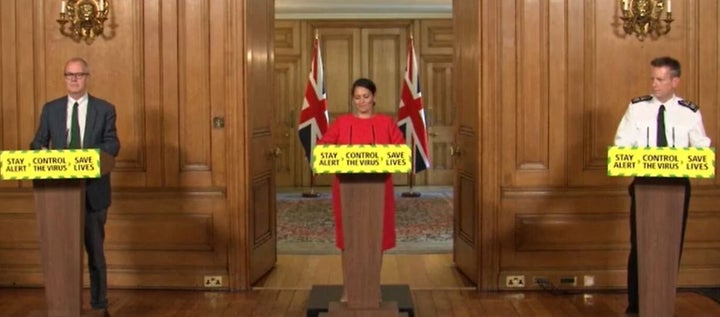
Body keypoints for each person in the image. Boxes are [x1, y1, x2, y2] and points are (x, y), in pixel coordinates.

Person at [614, 56, 711, 314]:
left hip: (677, 187)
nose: (654, 84)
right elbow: (622, 144)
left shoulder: (689, 112)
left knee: (671, 246)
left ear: (674, 81)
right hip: (644, 184)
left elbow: (702, 147)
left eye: (660, 79)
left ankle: (663, 305)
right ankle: (636, 306)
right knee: (640, 246)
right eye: (652, 79)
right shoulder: (636, 108)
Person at [30, 57, 120, 313]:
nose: (73, 79)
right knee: (61, 256)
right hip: (59, 195)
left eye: (78, 75)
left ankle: (99, 306)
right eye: (69, 75)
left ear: (87, 77)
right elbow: (37, 143)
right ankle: (63, 306)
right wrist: (42, 154)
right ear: (64, 78)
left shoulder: (104, 109)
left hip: (93, 194)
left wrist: (85, 160)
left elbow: (112, 145)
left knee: (95, 254)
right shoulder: (51, 109)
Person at [318, 78, 405, 300]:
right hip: (346, 192)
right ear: (353, 99)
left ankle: (373, 286)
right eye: (357, 97)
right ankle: (349, 288)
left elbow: (400, 151)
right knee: (349, 239)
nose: (362, 101)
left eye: (366, 96)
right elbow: (323, 148)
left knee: (376, 238)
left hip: (379, 191)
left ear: (374, 98)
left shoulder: (386, 123)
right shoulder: (341, 123)